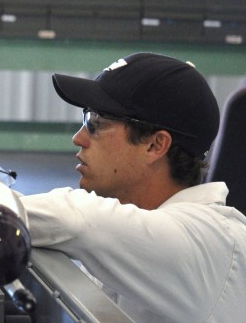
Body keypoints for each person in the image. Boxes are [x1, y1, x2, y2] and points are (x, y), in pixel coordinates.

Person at [20, 52, 246, 322]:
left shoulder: (206, 239)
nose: (78, 138)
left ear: (155, 145)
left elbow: (75, 217)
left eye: (97, 124)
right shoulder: (137, 230)